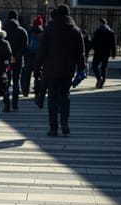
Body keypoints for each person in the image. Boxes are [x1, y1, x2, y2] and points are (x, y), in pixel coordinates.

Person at [34, 4, 86, 136]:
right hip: (67, 70)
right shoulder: (75, 30)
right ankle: (64, 122)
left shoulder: (50, 29)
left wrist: (37, 67)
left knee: (52, 99)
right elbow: (80, 53)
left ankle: (53, 128)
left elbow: (42, 50)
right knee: (65, 96)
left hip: (51, 70)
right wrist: (81, 68)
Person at [3, 10, 28, 112]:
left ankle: (6, 104)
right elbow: (25, 47)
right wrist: (17, 56)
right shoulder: (22, 31)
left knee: (6, 82)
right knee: (16, 81)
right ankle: (15, 103)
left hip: (6, 62)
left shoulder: (3, 30)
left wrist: (9, 57)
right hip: (17, 61)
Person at [21, 15, 44, 98]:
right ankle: (37, 92)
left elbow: (25, 44)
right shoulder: (43, 32)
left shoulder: (29, 31)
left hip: (29, 56)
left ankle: (25, 91)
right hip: (39, 57)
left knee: (27, 75)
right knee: (38, 75)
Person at [91, 17, 116, 89]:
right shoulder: (110, 32)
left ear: (100, 23)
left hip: (98, 52)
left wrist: (93, 48)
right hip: (106, 53)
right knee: (104, 68)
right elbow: (113, 43)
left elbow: (93, 42)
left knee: (94, 66)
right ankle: (101, 83)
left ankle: (99, 78)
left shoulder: (98, 31)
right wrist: (113, 53)